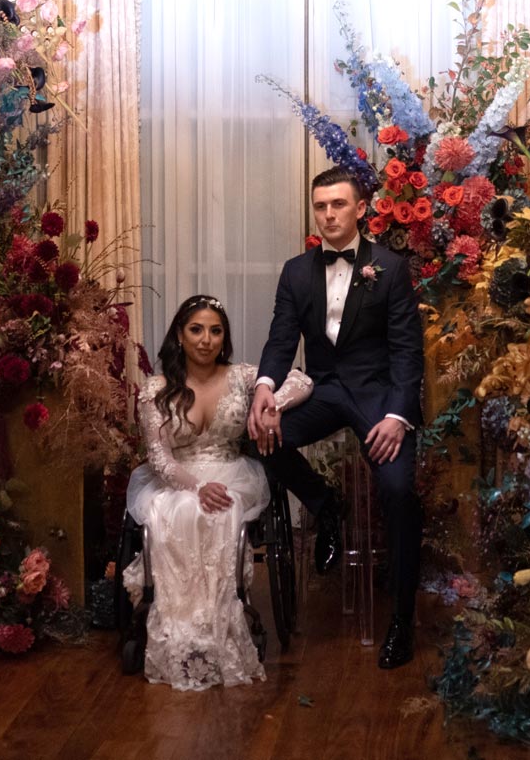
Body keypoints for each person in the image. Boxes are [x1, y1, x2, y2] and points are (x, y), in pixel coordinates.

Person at [247, 167, 425, 670]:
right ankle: (327, 505)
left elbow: (409, 354)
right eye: (320, 206)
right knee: (259, 435)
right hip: (323, 390)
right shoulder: (295, 272)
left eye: (338, 205)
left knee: (396, 492)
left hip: (378, 397)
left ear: (360, 208)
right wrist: (264, 389)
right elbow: (282, 340)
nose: (328, 214)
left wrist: (397, 416)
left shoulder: (390, 267)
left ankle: (402, 620)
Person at [123, 295, 312, 691]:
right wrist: (195, 486)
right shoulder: (157, 388)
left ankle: (219, 624)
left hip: (231, 470)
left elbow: (303, 380)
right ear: (180, 334)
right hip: (177, 477)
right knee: (175, 512)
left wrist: (268, 404)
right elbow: (158, 458)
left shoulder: (242, 376)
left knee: (221, 511)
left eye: (215, 330)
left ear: (223, 337)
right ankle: (178, 628)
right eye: (196, 330)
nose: (206, 340)